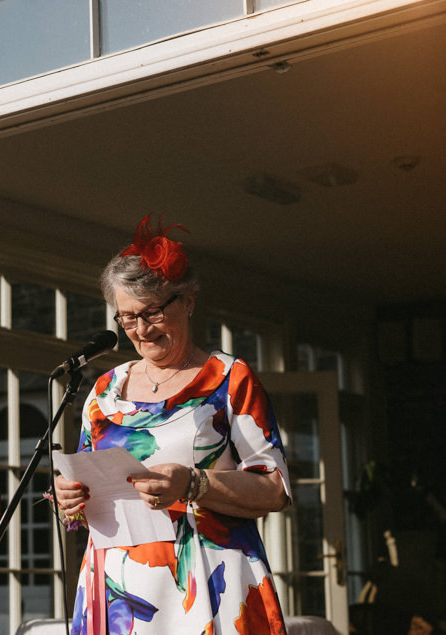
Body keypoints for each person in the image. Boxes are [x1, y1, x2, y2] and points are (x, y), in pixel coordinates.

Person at [51, 215, 291, 635]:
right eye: (126, 318)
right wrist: (69, 500)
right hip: (118, 588)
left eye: (153, 312)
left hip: (209, 579)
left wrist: (194, 483)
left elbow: (275, 490)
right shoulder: (106, 390)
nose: (140, 330)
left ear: (188, 301)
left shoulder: (229, 379)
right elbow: (94, 500)